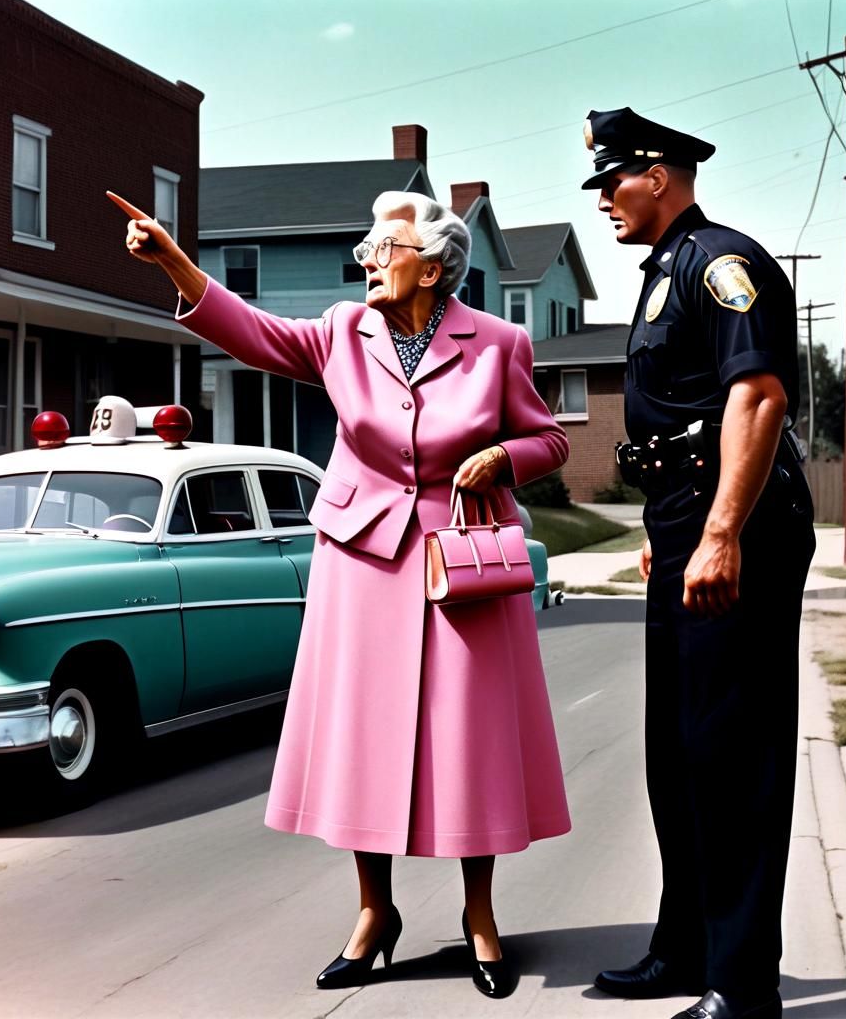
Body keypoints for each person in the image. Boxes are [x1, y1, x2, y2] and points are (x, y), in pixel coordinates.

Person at [109, 188, 571, 999]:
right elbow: (252, 333)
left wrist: (505, 460)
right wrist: (175, 261)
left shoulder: (499, 343)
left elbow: (549, 437)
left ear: (430, 267)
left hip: (458, 561)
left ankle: (479, 916)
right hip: (361, 558)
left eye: (383, 249)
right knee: (367, 739)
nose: (367, 261)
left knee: (468, 741)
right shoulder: (339, 332)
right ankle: (374, 913)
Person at [578, 108, 815, 1019]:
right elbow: (681, 416)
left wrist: (721, 533)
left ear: (660, 175)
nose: (604, 199)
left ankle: (744, 985)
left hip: (738, 521)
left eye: (613, 181)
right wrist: (671, 528)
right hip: (684, 513)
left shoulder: (723, 263)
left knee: (733, 754)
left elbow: (756, 399)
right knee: (677, 756)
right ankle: (686, 951)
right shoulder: (663, 273)